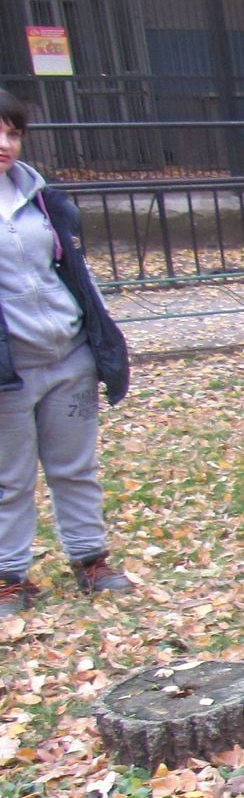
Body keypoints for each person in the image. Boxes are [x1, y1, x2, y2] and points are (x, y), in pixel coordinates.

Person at [0, 88, 134, 615]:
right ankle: (8, 577)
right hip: (10, 372)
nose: (5, 143)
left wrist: (102, 343)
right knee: (9, 478)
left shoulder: (44, 201)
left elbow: (77, 275)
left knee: (75, 466)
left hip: (69, 358)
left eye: (12, 132)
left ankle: (90, 560)